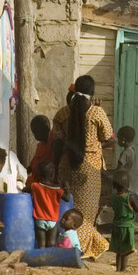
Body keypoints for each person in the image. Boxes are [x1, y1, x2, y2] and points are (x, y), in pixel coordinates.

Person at [53, 75, 116, 260]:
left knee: (67, 207)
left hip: (66, 165)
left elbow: (57, 139)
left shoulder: (62, 113)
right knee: (86, 213)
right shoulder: (97, 113)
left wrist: (56, 167)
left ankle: (64, 242)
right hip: (89, 167)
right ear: (92, 92)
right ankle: (82, 246)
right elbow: (108, 137)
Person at [107, 172, 138, 272]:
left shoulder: (113, 197)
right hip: (126, 227)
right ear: (128, 184)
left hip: (116, 226)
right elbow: (137, 209)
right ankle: (123, 269)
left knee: (118, 250)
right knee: (126, 250)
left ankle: (118, 269)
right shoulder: (129, 197)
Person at [113, 126, 138, 209]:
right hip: (134, 185)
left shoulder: (126, 153)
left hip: (127, 185)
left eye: (118, 138)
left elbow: (118, 171)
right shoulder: (132, 150)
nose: (117, 140)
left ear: (123, 139)